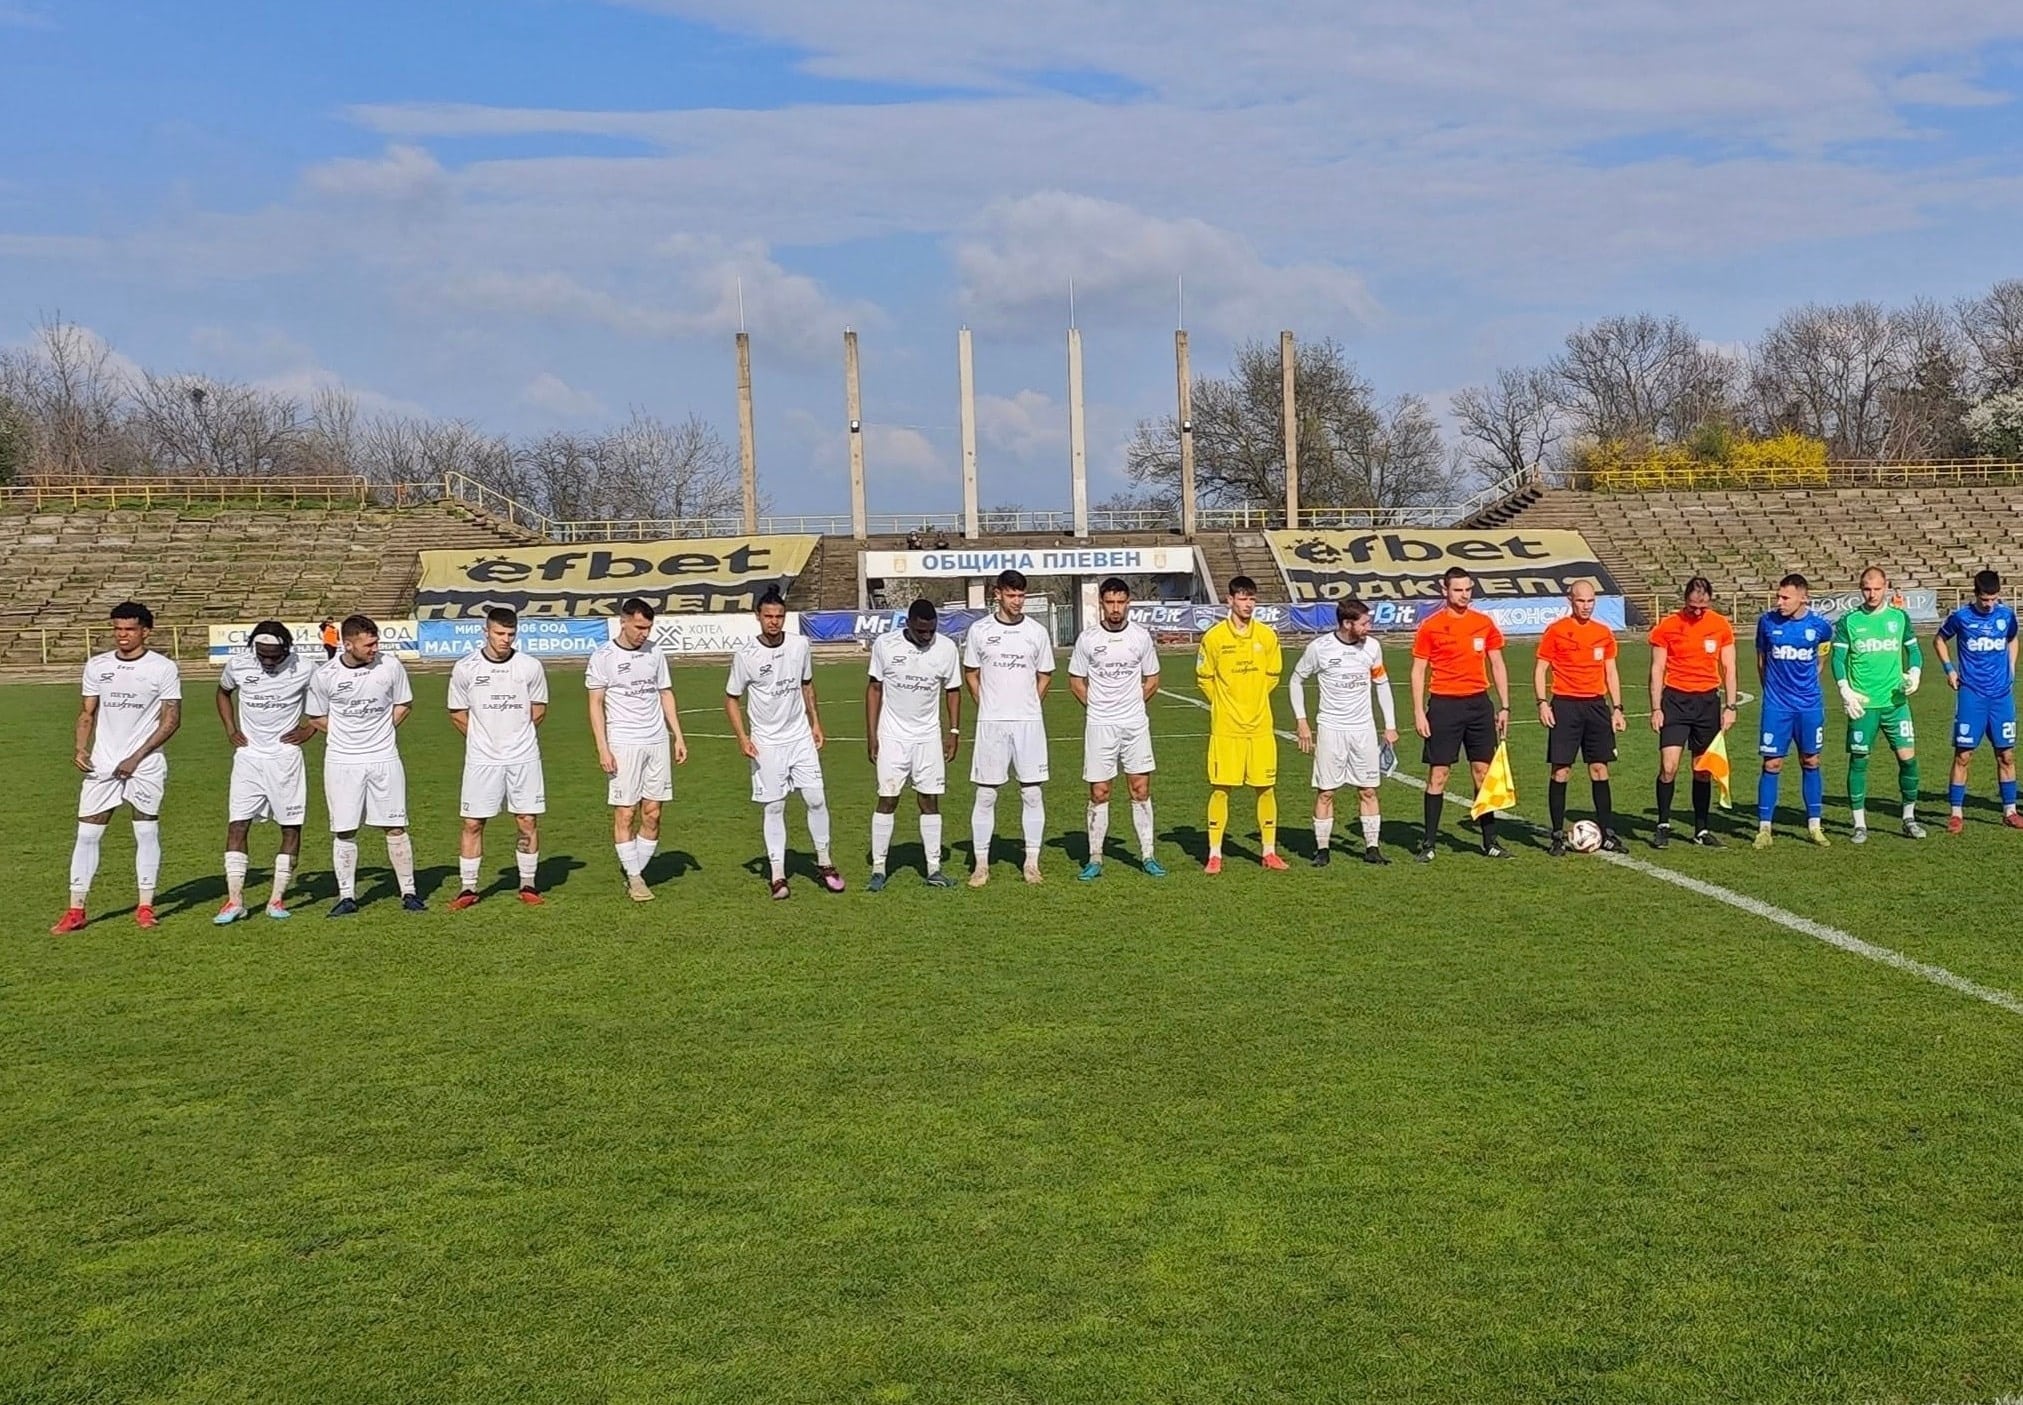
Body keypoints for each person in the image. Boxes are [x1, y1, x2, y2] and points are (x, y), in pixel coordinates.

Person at [53, 601, 182, 933]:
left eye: (129, 629)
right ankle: (76, 910)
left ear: (145, 632)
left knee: (146, 831)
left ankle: (145, 907)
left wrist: (136, 758)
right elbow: (87, 712)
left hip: (145, 765)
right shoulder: (97, 666)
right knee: (87, 834)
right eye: (117, 629)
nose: (122, 635)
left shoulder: (163, 668)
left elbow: (171, 720)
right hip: (103, 764)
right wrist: (81, 747)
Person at [725, 588, 842, 898]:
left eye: (779, 616)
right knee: (775, 806)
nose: (774, 622)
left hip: (800, 737)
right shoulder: (746, 655)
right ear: (758, 617)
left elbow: (807, 684)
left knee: (816, 799)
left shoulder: (800, 645)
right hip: (766, 742)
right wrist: (742, 737)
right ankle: (778, 875)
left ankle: (825, 863)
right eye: (768, 616)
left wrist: (815, 722)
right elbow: (731, 698)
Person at [305, 614, 423, 915]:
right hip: (342, 761)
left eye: (376, 642)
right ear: (348, 644)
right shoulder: (326, 675)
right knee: (344, 829)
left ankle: (409, 892)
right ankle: (347, 897)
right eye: (368, 644)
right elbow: (316, 716)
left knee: (395, 825)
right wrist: (346, 735)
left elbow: (403, 703)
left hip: (384, 757)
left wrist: (382, 731)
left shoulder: (390, 666)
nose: (375, 649)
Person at [586, 597, 688, 902]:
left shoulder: (655, 652)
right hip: (623, 742)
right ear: (624, 622)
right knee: (626, 811)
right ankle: (635, 877)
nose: (644, 633)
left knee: (653, 813)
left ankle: (635, 871)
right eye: (639, 627)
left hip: (656, 740)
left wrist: (678, 736)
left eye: (648, 628)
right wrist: (603, 748)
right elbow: (595, 704)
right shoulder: (603, 656)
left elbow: (665, 693)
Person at [214, 620, 316, 923]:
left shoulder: (306, 667)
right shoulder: (238, 664)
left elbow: (328, 699)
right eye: (262, 655)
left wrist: (310, 729)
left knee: (290, 826)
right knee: (237, 825)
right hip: (248, 758)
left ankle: (276, 900)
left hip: (285, 759)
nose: (268, 661)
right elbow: (222, 693)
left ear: (286, 649)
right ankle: (234, 902)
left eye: (274, 656)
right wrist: (231, 729)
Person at [447, 608, 550, 908]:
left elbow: (538, 710)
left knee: (526, 820)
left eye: (510, 634)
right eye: (499, 633)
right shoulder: (465, 668)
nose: (505, 639)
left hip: (523, 756)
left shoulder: (530, 666)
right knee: (472, 822)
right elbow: (457, 713)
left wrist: (515, 737)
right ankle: (468, 888)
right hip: (482, 759)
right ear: (486, 632)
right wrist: (483, 740)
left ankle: (528, 883)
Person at [1411, 566, 1513, 861]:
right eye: (1458, 590)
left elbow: (1497, 663)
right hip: (1444, 706)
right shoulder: (1431, 626)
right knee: (1438, 774)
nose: (1464, 595)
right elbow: (1418, 670)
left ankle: (1490, 841)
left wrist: (1504, 705)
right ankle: (1429, 844)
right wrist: (1418, 711)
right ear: (1444, 590)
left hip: (1479, 705)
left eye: (1468, 589)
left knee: (1483, 773)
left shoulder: (1483, 623)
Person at [1067, 577, 1165, 880]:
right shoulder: (1088, 639)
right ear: (1101, 603)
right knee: (1100, 791)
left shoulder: (1140, 637)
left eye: (1120, 602)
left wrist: (1133, 704)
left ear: (1128, 603)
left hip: (1134, 724)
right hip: (1100, 725)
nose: (1115, 608)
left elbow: (1152, 678)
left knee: (1140, 788)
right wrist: (1097, 707)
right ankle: (1095, 858)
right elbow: (1076, 681)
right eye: (1110, 602)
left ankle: (1148, 855)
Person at [963, 568, 1054, 886]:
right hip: (992, 723)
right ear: (997, 594)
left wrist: (1030, 704)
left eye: (1021, 595)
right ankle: (981, 865)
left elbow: (1045, 674)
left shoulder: (1036, 632)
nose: (1017, 601)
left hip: (1028, 723)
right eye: (1011, 595)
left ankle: (1031, 863)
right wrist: (985, 704)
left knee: (1032, 792)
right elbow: (971, 672)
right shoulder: (980, 631)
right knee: (986, 794)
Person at [865, 599, 963, 890]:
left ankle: (934, 868)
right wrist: (872, 735)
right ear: (908, 624)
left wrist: (954, 731)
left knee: (929, 799)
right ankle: (879, 869)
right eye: (921, 631)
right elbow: (874, 688)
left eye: (931, 630)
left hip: (928, 736)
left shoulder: (946, 648)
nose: (927, 636)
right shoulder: (885, 645)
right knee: (888, 797)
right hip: (892, 736)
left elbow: (953, 690)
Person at [1291, 598, 1397, 866]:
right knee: (1326, 792)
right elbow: (1296, 680)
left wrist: (1390, 725)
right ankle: (1322, 850)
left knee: (1368, 790)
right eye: (1364, 623)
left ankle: (1372, 849)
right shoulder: (1320, 648)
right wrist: (1302, 721)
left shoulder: (1372, 647)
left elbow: (1382, 684)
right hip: (1331, 729)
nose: (1368, 627)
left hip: (1364, 730)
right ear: (1347, 623)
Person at [1197, 574, 1285, 872]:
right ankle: (1215, 854)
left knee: (1266, 788)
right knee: (1221, 789)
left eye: (1252, 599)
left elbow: (1273, 675)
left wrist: (1254, 699)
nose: (1248, 604)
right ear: (1230, 600)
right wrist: (1225, 704)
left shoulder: (1267, 636)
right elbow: (1204, 678)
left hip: (1260, 728)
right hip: (1226, 730)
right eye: (1243, 598)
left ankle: (1269, 852)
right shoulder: (1214, 638)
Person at [1831, 566, 1925, 842]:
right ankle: (1859, 824)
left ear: (1886, 587)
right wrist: (1845, 689)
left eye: (1876, 589)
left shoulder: (1899, 617)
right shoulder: (1849, 621)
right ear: (1860, 589)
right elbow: (1838, 659)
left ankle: (1909, 817)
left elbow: (1914, 650)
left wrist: (1915, 673)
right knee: (1859, 761)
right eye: (1866, 589)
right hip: (1864, 705)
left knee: (1908, 761)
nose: (1871, 594)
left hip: (1896, 703)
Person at [1535, 582, 1627, 855]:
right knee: (1561, 770)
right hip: (1565, 706)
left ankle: (1607, 833)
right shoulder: (1556, 631)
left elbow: (1611, 671)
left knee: (1599, 769)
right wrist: (1542, 703)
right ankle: (1556, 836)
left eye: (1590, 601)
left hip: (1596, 707)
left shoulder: (1603, 632)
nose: (1586, 606)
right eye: (1580, 601)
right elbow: (1540, 669)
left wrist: (1617, 708)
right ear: (1570, 601)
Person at [1647, 577, 1739, 848]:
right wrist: (1656, 708)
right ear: (1685, 600)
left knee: (1702, 770)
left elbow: (1730, 668)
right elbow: (1656, 669)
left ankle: (1701, 829)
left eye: (1703, 606)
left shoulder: (1720, 625)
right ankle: (1663, 825)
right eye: (1693, 606)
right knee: (1669, 767)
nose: (1698, 611)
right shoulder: (1668, 626)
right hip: (1675, 702)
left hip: (1707, 703)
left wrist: (1730, 706)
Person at [1933, 568, 2022, 834]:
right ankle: (1956, 813)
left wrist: (2011, 667)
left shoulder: (2006, 616)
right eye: (1985, 599)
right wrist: (1949, 670)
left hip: (2001, 697)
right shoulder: (1961, 617)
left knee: (2006, 755)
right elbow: (1939, 640)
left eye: (1994, 599)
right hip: (1972, 695)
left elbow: (2012, 639)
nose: (1989, 604)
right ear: (1975, 594)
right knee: (1963, 754)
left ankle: (2010, 811)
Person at [1752, 573, 1833, 848]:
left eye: (1785, 597)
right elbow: (1761, 661)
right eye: (1778, 596)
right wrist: (1772, 693)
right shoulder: (1766, 622)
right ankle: (1764, 829)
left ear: (1803, 598)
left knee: (1811, 760)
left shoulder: (1820, 627)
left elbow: (1821, 658)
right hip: (1777, 706)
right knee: (1771, 763)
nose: (1779, 602)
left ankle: (1815, 826)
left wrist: (1806, 686)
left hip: (1809, 705)